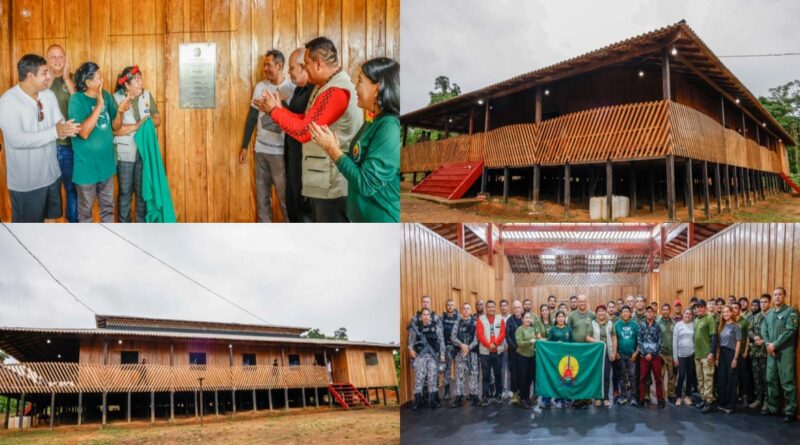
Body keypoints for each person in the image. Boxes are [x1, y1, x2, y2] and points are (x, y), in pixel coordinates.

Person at [259, 37, 363, 222]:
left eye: (306, 64)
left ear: (318, 64)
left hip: (333, 187)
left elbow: (304, 132)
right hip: (323, 182)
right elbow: (305, 120)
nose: (304, 68)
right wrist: (279, 110)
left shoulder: (336, 91)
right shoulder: (324, 86)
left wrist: (275, 112)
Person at [307, 57, 400, 222]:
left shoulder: (389, 127)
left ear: (377, 89)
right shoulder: (372, 122)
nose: (355, 87)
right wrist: (333, 147)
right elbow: (358, 162)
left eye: (360, 81)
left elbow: (366, 183)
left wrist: (332, 150)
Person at [0, 54, 80, 222]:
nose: (49, 76)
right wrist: (55, 132)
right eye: (44, 73)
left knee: (50, 223)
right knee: (28, 232)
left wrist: (68, 128)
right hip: (27, 183)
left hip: (52, 176)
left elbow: (59, 121)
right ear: (30, 76)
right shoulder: (8, 101)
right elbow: (17, 140)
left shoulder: (48, 95)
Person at [70, 61, 129, 222]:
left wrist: (120, 112)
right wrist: (99, 105)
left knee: (108, 209)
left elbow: (116, 127)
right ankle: (87, 246)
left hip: (107, 166)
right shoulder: (76, 100)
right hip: (86, 169)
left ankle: (107, 243)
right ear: (88, 83)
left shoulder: (107, 96)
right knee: (86, 213)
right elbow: (83, 133)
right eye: (99, 77)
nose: (102, 80)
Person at [241, 50, 295, 223]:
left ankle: (292, 236)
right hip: (261, 150)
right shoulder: (260, 87)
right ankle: (264, 238)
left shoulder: (291, 89)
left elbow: (297, 118)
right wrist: (244, 145)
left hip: (281, 154)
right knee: (262, 200)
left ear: (279, 66)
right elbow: (252, 117)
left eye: (268, 65)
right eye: (264, 65)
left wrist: (277, 104)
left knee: (285, 200)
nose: (265, 68)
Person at [113, 65, 161, 223]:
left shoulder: (147, 96)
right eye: (137, 80)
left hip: (144, 152)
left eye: (141, 79)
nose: (141, 82)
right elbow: (114, 130)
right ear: (126, 85)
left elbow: (157, 119)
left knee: (142, 193)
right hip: (125, 154)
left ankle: (142, 227)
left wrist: (146, 124)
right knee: (125, 193)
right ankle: (124, 228)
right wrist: (139, 125)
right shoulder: (116, 99)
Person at [279, 48, 315, 222]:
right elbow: (294, 117)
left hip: (305, 167)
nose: (289, 72)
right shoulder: (299, 90)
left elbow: (303, 125)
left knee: (304, 217)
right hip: (292, 163)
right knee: (293, 212)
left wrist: (276, 109)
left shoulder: (314, 91)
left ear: (303, 67)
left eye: (292, 68)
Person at [45, 44, 78, 222]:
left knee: (72, 189)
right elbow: (36, 103)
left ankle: (72, 227)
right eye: (53, 57)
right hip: (47, 146)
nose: (57, 60)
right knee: (50, 191)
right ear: (47, 60)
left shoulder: (73, 79)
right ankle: (51, 230)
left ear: (66, 59)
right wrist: (47, 79)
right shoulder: (41, 81)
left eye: (60, 57)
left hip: (69, 147)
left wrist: (66, 78)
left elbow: (79, 103)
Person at [761, 287, 798, 422]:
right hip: (771, 351)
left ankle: (790, 411)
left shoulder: (790, 312)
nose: (777, 297)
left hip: (785, 352)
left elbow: (790, 330)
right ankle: (773, 408)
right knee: (771, 379)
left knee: (787, 381)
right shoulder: (769, 313)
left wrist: (774, 344)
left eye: (780, 295)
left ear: (784, 296)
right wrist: (767, 344)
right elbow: (763, 330)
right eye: (775, 295)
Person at [408, 308, 445, 410]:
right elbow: (410, 344)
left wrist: (442, 354)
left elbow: (441, 342)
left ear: (430, 316)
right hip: (421, 356)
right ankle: (417, 401)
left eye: (427, 314)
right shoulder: (416, 329)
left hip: (433, 356)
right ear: (421, 317)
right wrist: (411, 350)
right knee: (419, 379)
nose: (426, 316)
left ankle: (433, 400)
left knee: (432, 378)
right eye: (424, 314)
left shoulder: (436, 328)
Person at [566, 294, 596, 408]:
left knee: (587, 373)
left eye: (584, 301)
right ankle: (577, 397)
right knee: (576, 373)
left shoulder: (592, 315)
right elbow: (567, 331)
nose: (582, 303)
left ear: (586, 302)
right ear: (577, 303)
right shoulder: (572, 316)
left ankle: (587, 397)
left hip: (588, 350)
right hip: (575, 350)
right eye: (580, 301)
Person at [476, 300, 506, 406]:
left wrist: (496, 343)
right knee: (486, 376)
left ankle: (499, 395)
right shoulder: (480, 319)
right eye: (488, 307)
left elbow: (502, 333)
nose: (490, 309)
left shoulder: (500, 319)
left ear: (495, 308)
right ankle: (485, 396)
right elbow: (480, 335)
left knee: (498, 375)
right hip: (485, 352)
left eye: (492, 307)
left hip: (498, 352)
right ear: (486, 308)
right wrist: (489, 345)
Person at [514, 311, 545, 409]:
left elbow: (538, 340)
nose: (528, 320)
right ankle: (522, 399)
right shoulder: (519, 329)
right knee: (523, 379)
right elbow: (519, 343)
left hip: (532, 357)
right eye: (526, 318)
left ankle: (527, 399)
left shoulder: (532, 329)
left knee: (529, 380)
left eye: (529, 318)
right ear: (522, 319)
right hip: (522, 357)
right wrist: (529, 342)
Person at [451, 302, 480, 407]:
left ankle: (475, 395)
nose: (466, 310)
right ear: (461, 310)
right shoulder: (457, 323)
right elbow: (453, 337)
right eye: (464, 308)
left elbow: (477, 338)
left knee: (474, 374)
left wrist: (468, 347)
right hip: (460, 353)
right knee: (459, 375)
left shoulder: (475, 323)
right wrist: (462, 345)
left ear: (471, 310)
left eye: (468, 308)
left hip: (472, 353)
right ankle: (458, 396)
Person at [716, 305, 742, 414]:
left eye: (727, 312)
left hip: (731, 354)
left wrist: (735, 358)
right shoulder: (721, 326)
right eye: (724, 312)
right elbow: (718, 343)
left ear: (732, 313)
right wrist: (717, 357)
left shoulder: (736, 326)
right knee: (722, 379)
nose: (725, 314)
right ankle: (723, 403)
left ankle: (730, 405)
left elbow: (738, 343)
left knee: (732, 380)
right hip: (722, 354)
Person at [544, 311, 573, 408]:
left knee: (565, 379)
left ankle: (566, 398)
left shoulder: (568, 329)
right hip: (555, 359)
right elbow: (548, 344)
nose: (561, 318)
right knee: (555, 378)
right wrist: (557, 344)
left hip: (566, 359)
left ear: (565, 318)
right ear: (556, 319)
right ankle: (556, 398)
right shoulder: (552, 329)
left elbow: (572, 342)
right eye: (559, 316)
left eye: (562, 316)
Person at [638, 306, 665, 408]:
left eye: (651, 312)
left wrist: (652, 354)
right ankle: (641, 398)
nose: (649, 313)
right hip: (643, 356)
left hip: (655, 356)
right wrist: (646, 354)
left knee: (658, 378)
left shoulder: (657, 326)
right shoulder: (641, 325)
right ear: (645, 313)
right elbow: (639, 341)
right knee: (643, 378)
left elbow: (660, 341)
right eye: (648, 312)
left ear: (654, 314)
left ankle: (660, 399)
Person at [693, 299, 718, 413]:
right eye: (697, 307)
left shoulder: (709, 318)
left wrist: (712, 352)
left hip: (706, 355)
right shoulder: (696, 320)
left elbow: (713, 336)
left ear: (705, 307)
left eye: (700, 307)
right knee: (700, 379)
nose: (698, 309)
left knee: (708, 378)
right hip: (697, 355)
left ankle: (708, 401)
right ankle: (703, 398)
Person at [592, 305, 617, 407]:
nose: (601, 313)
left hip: (608, 353)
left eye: (603, 311)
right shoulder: (592, 323)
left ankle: (606, 397)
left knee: (606, 376)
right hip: (596, 355)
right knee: (597, 376)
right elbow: (587, 337)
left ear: (605, 312)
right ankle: (597, 398)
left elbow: (614, 338)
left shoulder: (610, 323)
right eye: (599, 311)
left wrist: (614, 353)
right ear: (596, 313)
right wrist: (599, 343)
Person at [749, 293, 770, 410]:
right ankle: (758, 399)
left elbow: (774, 334)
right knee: (756, 378)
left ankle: (767, 401)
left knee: (766, 378)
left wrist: (764, 341)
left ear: (769, 303)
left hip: (767, 353)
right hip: (755, 353)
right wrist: (754, 337)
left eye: (765, 302)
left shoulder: (771, 316)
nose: (763, 304)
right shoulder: (756, 317)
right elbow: (749, 330)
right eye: (761, 302)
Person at [614, 305, 639, 405]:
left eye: (627, 312)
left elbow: (639, 340)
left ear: (630, 313)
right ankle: (623, 396)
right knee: (622, 377)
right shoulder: (617, 325)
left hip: (632, 356)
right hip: (621, 355)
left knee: (633, 377)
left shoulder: (634, 325)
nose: (625, 313)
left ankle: (633, 397)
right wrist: (616, 352)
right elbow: (614, 339)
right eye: (623, 312)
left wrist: (636, 353)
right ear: (621, 314)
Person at [731, 301, 753, 406]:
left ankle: (745, 397)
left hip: (742, 351)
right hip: (732, 352)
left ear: (740, 309)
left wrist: (746, 351)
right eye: (733, 307)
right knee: (734, 375)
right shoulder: (730, 321)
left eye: (736, 308)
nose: (734, 309)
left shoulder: (744, 322)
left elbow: (748, 338)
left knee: (744, 376)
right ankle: (734, 396)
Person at [673, 308, 695, 406]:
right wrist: (675, 357)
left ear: (692, 315)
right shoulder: (678, 325)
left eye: (690, 314)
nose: (688, 315)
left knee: (690, 375)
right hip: (681, 355)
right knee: (681, 375)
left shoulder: (694, 325)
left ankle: (687, 396)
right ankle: (678, 397)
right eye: (686, 313)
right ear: (683, 314)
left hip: (691, 354)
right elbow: (674, 341)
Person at [504, 301, 524, 404]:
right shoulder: (509, 320)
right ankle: (515, 394)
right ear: (513, 309)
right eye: (515, 307)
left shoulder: (526, 319)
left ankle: (523, 393)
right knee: (514, 374)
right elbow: (507, 336)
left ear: (522, 308)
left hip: (524, 353)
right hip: (513, 352)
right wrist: (515, 347)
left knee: (523, 374)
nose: (517, 309)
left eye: (519, 307)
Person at [657, 303, 677, 404]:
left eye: (667, 309)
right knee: (660, 375)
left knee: (671, 375)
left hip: (671, 353)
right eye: (663, 310)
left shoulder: (674, 323)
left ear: (670, 311)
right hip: (661, 353)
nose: (665, 311)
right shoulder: (657, 323)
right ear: (662, 311)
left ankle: (671, 394)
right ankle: (661, 395)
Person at [440, 299, 459, 400]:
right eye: (448, 305)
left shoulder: (458, 317)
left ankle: (459, 391)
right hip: (447, 347)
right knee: (447, 370)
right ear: (446, 306)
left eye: (452, 305)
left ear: (454, 306)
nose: (450, 307)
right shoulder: (441, 318)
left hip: (457, 348)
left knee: (459, 369)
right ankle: (447, 392)